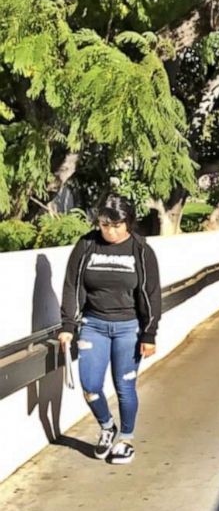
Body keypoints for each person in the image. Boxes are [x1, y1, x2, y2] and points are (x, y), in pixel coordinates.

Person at [58, 195, 161, 465]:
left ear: (128, 222)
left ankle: (126, 439)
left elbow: (151, 293)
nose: (110, 231)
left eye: (117, 225)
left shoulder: (140, 249)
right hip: (93, 325)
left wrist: (149, 334)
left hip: (129, 328)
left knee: (125, 387)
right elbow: (72, 285)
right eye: (105, 225)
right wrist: (68, 325)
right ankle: (107, 427)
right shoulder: (87, 245)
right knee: (90, 385)